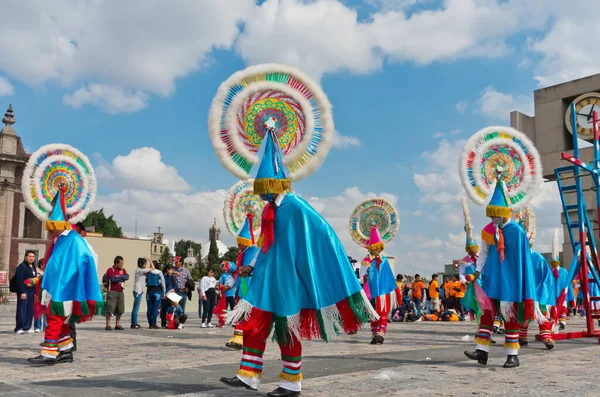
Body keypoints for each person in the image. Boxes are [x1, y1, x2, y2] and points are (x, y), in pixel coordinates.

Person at [220, 124, 376, 396]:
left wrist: (314, 268)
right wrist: (252, 266)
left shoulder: (297, 207)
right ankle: (248, 375)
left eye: (265, 188)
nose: (262, 194)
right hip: (266, 279)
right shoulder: (270, 210)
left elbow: (323, 235)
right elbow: (268, 245)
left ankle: (292, 383)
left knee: (286, 330)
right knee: (253, 324)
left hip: (288, 281)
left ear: (275, 183)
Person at [464, 170, 542, 368]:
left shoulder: (517, 232)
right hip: (491, 278)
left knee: (509, 315)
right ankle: (482, 352)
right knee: (487, 313)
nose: (494, 220)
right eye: (491, 216)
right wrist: (477, 272)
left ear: (504, 212)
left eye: (496, 215)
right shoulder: (488, 231)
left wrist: (519, 281)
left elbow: (522, 260)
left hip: (511, 281)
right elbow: (483, 253)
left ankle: (512, 355)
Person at [27, 185, 103, 365]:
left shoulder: (74, 240)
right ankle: (66, 351)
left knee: (54, 318)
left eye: (53, 227)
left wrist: (72, 280)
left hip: (67, 289)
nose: (51, 231)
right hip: (58, 288)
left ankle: (50, 353)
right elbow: (56, 266)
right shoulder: (60, 241)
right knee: (61, 321)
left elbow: (86, 259)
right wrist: (41, 279)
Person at [359, 225, 400, 344]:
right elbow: (361, 276)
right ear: (371, 248)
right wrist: (365, 273)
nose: (377, 251)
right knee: (373, 314)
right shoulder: (366, 261)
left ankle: (381, 334)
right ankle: (374, 335)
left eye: (379, 248)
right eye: (375, 248)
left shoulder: (384, 260)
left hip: (383, 292)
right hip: (371, 292)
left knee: (383, 313)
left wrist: (394, 291)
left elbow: (389, 276)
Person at [225, 214, 258, 350]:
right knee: (243, 311)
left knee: (244, 311)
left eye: (241, 242)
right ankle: (242, 337)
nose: (239, 245)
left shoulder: (254, 250)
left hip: (249, 284)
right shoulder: (243, 254)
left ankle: (242, 338)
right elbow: (238, 270)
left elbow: (250, 267)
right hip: (243, 284)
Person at [15, 250, 38, 334]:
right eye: (29, 256)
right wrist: (22, 292)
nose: (31, 258)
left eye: (33, 257)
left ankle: (27, 327)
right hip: (24, 291)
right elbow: (19, 280)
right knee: (22, 309)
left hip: (32, 291)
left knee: (30, 309)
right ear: (25, 257)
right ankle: (19, 327)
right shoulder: (22, 267)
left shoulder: (33, 267)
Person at [105, 256, 129, 331]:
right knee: (110, 308)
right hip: (112, 291)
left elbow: (127, 277)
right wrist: (120, 277)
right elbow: (112, 279)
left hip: (120, 291)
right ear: (116, 263)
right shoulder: (110, 270)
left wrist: (118, 276)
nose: (122, 265)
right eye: (121, 263)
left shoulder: (123, 270)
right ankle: (108, 324)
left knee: (120, 309)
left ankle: (117, 324)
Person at [131, 257, 154, 329]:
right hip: (138, 291)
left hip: (140, 290)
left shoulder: (141, 271)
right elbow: (152, 268)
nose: (145, 266)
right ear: (140, 264)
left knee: (136, 308)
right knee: (136, 308)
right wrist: (150, 260)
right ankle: (134, 323)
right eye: (145, 264)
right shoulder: (139, 270)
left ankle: (135, 322)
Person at [146, 262, 166, 329]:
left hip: (149, 291)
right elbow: (163, 283)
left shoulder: (148, 272)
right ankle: (154, 324)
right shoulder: (159, 272)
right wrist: (164, 293)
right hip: (157, 290)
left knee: (149, 309)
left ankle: (150, 323)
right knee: (155, 308)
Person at [33, 258, 47, 332]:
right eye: (42, 264)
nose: (44, 266)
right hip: (38, 292)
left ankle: (46, 326)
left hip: (47, 293)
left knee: (46, 310)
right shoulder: (36, 271)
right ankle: (37, 326)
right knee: (38, 309)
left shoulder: (49, 272)